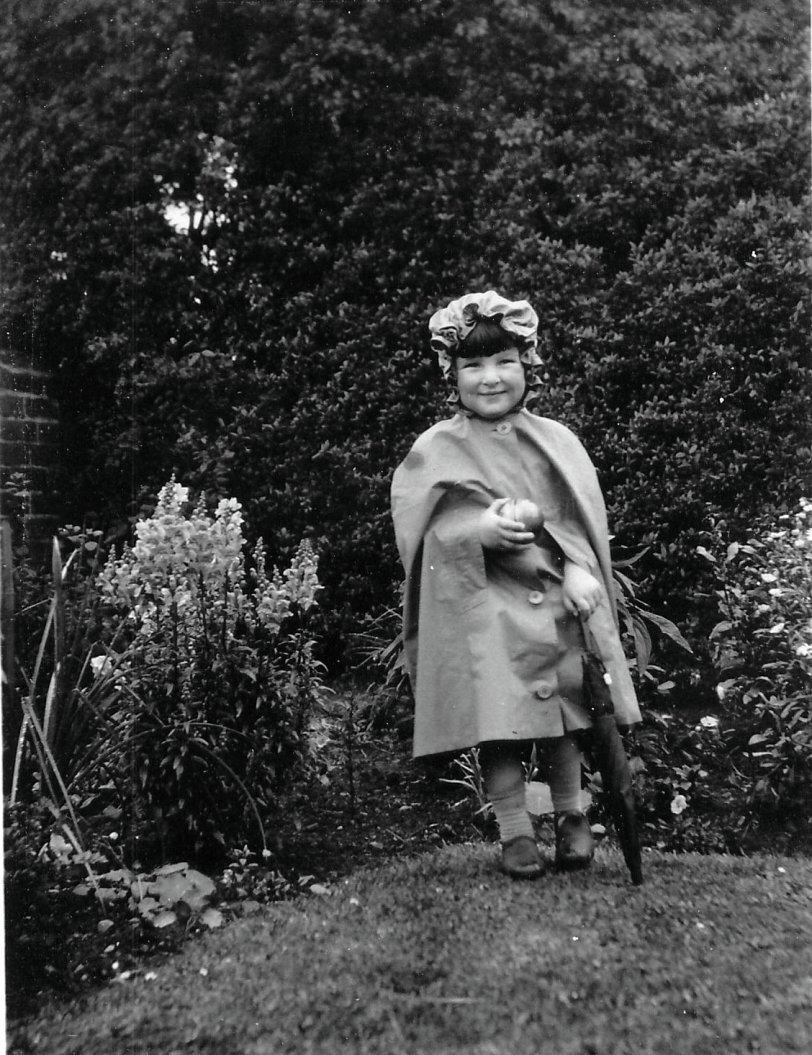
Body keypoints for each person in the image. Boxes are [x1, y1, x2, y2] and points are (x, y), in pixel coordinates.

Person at [390, 290, 641, 879]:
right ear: (450, 374)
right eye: (472, 365)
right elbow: (423, 529)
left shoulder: (557, 441)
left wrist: (580, 570)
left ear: (527, 363)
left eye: (503, 361)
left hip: (555, 602)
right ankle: (514, 832)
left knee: (561, 723)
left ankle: (572, 819)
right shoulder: (436, 449)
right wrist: (477, 527)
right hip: (486, 613)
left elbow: (580, 521)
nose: (490, 377)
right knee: (498, 726)